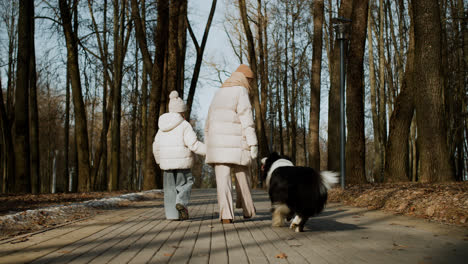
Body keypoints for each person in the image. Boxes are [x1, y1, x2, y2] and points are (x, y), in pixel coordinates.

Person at [205, 64, 258, 223]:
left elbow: (208, 121)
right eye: (250, 80)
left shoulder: (219, 92)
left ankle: (226, 216)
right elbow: (246, 119)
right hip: (236, 143)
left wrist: (209, 144)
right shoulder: (241, 91)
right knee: (243, 176)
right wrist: (253, 143)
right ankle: (248, 211)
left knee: (223, 182)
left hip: (217, 143)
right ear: (245, 79)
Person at [153, 90, 206, 220]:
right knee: (185, 184)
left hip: (166, 164)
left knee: (169, 189)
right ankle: (181, 203)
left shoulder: (162, 127)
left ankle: (172, 216)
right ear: (182, 112)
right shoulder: (184, 125)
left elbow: (156, 145)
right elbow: (193, 144)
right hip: (182, 162)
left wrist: (159, 160)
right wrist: (209, 151)